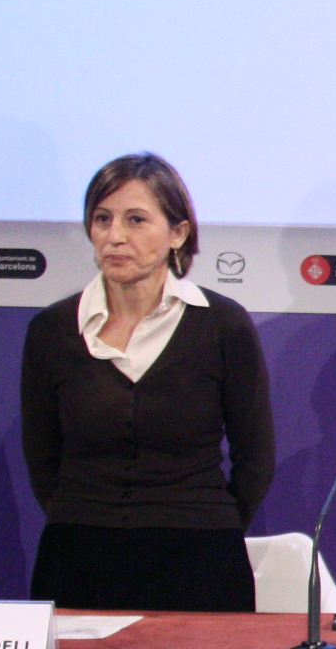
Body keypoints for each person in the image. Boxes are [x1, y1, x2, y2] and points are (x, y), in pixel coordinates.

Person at [20, 154, 274, 613]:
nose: (115, 236)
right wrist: (81, 513)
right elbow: (42, 455)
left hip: (199, 559)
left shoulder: (222, 326)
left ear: (178, 232)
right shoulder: (52, 330)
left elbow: (255, 457)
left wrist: (209, 522)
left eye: (136, 219)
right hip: (77, 556)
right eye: (102, 219)